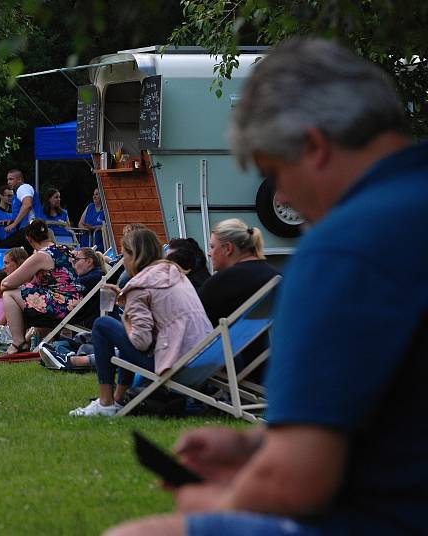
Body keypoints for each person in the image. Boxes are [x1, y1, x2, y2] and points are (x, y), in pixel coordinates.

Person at [106, 38, 428, 536]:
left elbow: (293, 483)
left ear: (315, 147)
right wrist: (255, 444)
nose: (283, 199)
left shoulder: (346, 249)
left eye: (274, 174)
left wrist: (211, 499)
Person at [68, 228, 211, 417]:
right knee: (120, 334)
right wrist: (126, 299)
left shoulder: (139, 285)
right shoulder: (174, 274)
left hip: (176, 365)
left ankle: (106, 403)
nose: (122, 259)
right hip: (203, 358)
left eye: (124, 253)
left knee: (102, 325)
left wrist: (127, 318)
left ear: (134, 255)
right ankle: (118, 399)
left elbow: (140, 341)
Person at [0, 220, 83, 353]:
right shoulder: (64, 249)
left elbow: (6, 283)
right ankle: (22, 341)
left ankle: (18, 343)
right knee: (23, 292)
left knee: (9, 293)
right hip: (75, 302)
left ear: (30, 240)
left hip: (61, 305)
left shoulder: (42, 255)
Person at [197, 219, 280, 326]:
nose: (209, 253)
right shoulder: (276, 276)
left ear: (228, 248)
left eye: (212, 247)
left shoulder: (217, 284)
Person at [0, 169, 35, 251]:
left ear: (19, 180)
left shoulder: (23, 188)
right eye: (7, 179)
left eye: (11, 179)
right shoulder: (18, 192)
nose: (8, 182)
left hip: (30, 228)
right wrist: (10, 221)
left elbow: (27, 205)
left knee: (3, 246)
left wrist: (13, 224)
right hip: (29, 229)